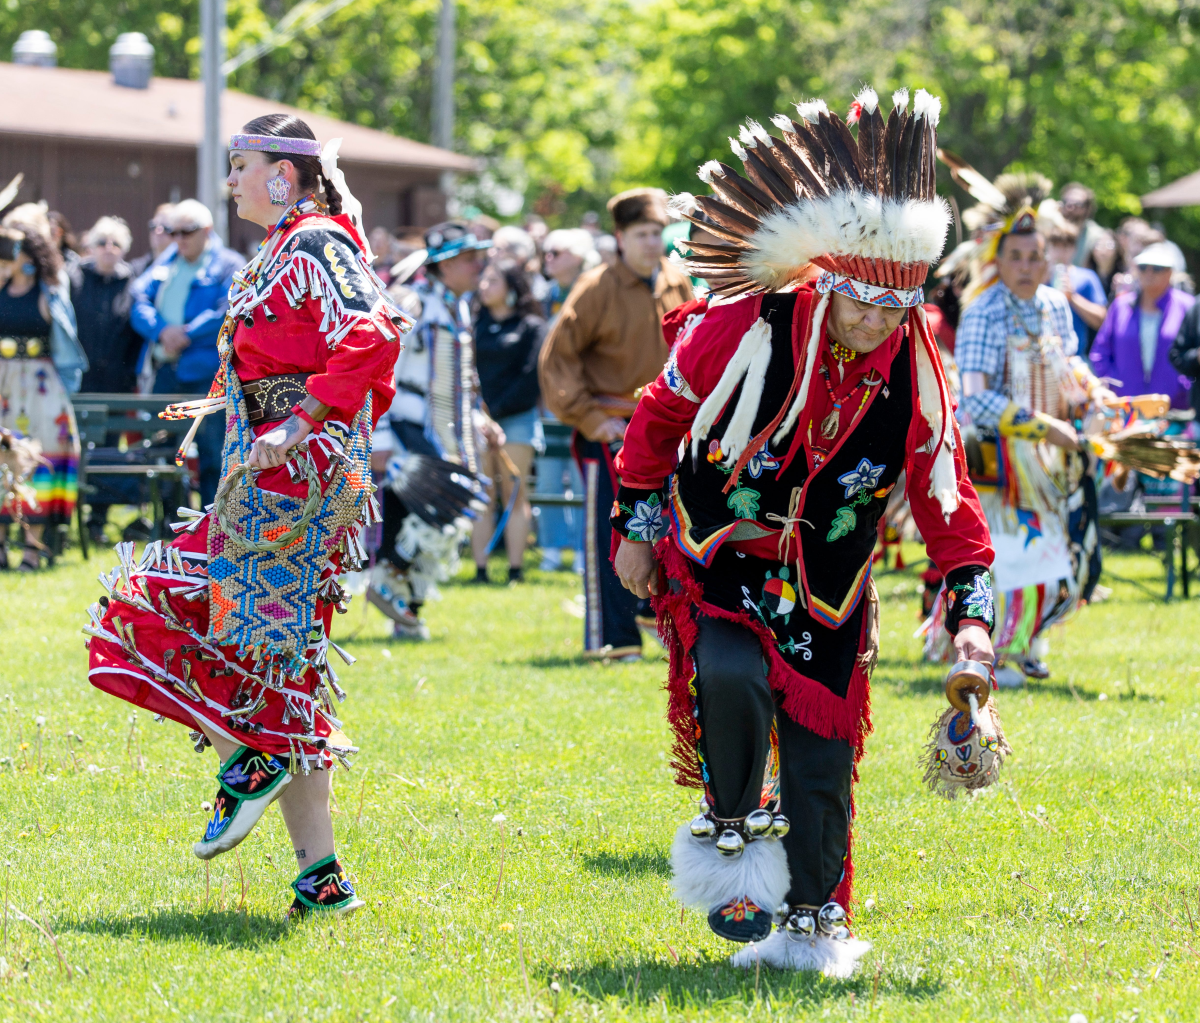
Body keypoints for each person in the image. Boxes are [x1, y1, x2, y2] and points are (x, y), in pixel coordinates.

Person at [613, 88, 994, 974]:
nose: (875, 325)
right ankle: (733, 837)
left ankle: (813, 920)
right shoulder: (747, 324)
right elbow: (658, 418)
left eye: (894, 311)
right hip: (721, 551)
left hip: (828, 579)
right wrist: (634, 526)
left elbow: (949, 502)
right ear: (827, 281)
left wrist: (971, 621)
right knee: (731, 674)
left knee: (823, 753)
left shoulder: (915, 366)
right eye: (861, 304)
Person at [85, 113, 407, 918]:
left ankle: (251, 756)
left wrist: (300, 421)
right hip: (264, 477)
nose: (229, 182)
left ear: (282, 175)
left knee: (143, 607)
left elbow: (373, 335)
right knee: (279, 670)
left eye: (240, 166)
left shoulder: (316, 243)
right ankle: (321, 879)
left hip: (295, 485)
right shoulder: (282, 248)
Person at [955, 201, 1112, 683]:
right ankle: (999, 652)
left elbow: (1068, 362)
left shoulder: (1055, 305)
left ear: (1048, 261)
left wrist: (1092, 392)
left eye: (1035, 257)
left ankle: (1029, 644)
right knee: (1009, 553)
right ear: (998, 262)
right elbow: (975, 398)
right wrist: (1044, 426)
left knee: (1050, 551)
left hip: (1046, 458)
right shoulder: (983, 311)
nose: (1025, 267)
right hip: (994, 454)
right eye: (1016, 257)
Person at [539, 187, 692, 660]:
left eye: (656, 233)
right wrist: (588, 416)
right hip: (611, 429)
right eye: (641, 233)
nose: (651, 242)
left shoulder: (676, 280)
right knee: (613, 532)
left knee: (671, 529)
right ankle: (615, 639)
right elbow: (557, 359)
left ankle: (653, 615)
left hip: (669, 430)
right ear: (620, 237)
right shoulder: (596, 287)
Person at [367, 221, 492, 639]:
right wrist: (381, 436)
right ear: (445, 264)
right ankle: (388, 579)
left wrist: (480, 418)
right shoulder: (412, 304)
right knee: (430, 510)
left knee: (440, 513)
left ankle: (408, 611)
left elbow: (460, 379)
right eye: (470, 259)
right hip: (408, 426)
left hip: (445, 427)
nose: (479, 266)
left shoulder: (458, 307)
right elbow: (381, 369)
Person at [130, 199, 243, 506]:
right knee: (162, 450)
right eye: (172, 232)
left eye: (186, 232)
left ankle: (212, 520)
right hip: (166, 371)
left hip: (206, 375)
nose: (178, 239)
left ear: (207, 229)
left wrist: (186, 334)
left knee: (212, 452)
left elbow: (227, 309)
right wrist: (161, 330)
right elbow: (138, 298)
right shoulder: (167, 260)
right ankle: (169, 520)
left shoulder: (228, 263)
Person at [0, 210, 85, 570]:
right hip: (3, 384)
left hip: (41, 387)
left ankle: (32, 549)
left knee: (39, 459)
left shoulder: (50, 291)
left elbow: (67, 343)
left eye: (11, 247)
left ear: (29, 253)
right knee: (2, 459)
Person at [471, 261, 546, 582]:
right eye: (483, 279)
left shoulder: (532, 326)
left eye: (493, 280)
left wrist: (497, 412)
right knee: (482, 495)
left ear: (512, 287)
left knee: (514, 494)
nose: (483, 285)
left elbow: (532, 375)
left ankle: (515, 570)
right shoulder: (472, 324)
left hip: (517, 418)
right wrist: (481, 413)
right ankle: (480, 569)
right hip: (478, 419)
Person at [72, 216, 145, 543]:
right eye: (102, 243)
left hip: (116, 380)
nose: (108, 249)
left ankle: (97, 520)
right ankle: (67, 516)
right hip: (79, 380)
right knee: (75, 446)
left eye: (116, 244)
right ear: (91, 246)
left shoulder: (132, 282)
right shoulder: (74, 278)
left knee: (108, 450)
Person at [537, 228, 598, 571]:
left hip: (586, 400)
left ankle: (581, 548)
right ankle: (550, 546)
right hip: (548, 400)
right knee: (548, 475)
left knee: (581, 476)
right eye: (546, 252)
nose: (548, 259)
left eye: (556, 252)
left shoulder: (595, 292)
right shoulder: (543, 296)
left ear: (578, 256)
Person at [1090, 242, 1194, 410]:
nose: (1149, 273)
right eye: (1143, 267)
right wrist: (1113, 384)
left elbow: (1193, 354)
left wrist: (1184, 387)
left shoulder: (1188, 307)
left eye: (1157, 268)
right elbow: (1100, 352)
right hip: (1125, 407)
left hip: (1175, 410)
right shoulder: (1121, 306)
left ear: (1170, 272)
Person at [1043, 220, 1107, 355]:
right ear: (1048, 248)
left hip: (1074, 356)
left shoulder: (1087, 276)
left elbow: (1101, 320)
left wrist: (1072, 297)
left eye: (1066, 247)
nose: (1060, 252)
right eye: (1056, 246)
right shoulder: (1038, 278)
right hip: (1041, 356)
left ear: (1074, 249)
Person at [1058, 183, 1108, 272]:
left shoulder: (1097, 236)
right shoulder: (1051, 231)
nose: (1070, 208)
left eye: (1077, 204)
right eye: (1066, 203)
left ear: (1087, 209)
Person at [129, 204, 175, 278]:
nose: (158, 232)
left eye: (166, 228)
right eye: (153, 226)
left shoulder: (183, 268)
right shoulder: (136, 269)